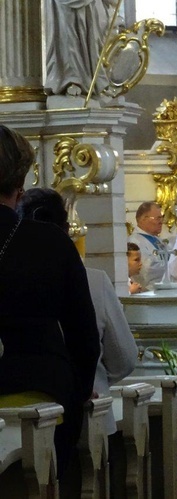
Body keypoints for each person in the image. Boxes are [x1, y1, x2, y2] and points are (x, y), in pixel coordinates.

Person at [0, 126, 100, 482]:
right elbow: (85, 337)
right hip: (42, 392)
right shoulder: (50, 242)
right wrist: (77, 394)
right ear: (19, 186)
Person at [16, 187, 139, 451]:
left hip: (18, 420)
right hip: (88, 411)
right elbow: (125, 357)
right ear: (66, 229)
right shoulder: (94, 280)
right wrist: (96, 378)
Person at [45, 0, 117, 97]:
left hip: (91, 5)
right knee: (68, 39)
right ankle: (71, 80)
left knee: (92, 39)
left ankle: (96, 82)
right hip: (63, 5)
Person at [128, 202, 169, 289]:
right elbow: (147, 270)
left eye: (161, 218)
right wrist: (173, 266)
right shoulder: (135, 241)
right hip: (148, 292)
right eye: (157, 218)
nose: (161, 222)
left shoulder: (158, 240)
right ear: (143, 219)